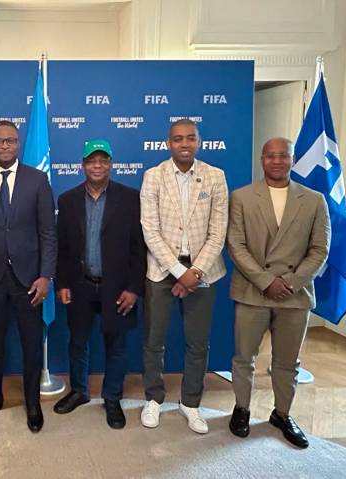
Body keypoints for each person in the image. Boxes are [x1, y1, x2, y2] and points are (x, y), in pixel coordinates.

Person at [227, 137, 330, 448]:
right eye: (270, 156)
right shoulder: (242, 197)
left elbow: (320, 249)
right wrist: (265, 280)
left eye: (283, 156)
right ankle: (241, 409)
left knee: (288, 361)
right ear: (262, 159)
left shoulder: (314, 200)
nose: (276, 161)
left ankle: (282, 414)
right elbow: (236, 245)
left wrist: (291, 282)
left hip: (294, 296)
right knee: (244, 358)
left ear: (292, 159)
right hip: (251, 291)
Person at [139, 119, 228, 434]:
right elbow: (150, 230)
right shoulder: (153, 177)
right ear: (168, 144)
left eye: (191, 138)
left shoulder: (215, 177)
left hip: (204, 272)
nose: (185, 144)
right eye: (178, 139)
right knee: (153, 340)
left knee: (198, 343)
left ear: (199, 141)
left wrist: (196, 271)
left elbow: (218, 232)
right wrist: (179, 272)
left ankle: (190, 403)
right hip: (161, 271)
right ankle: (153, 398)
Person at [0, 120, 57, 432]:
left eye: (10, 141)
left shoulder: (37, 180)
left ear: (17, 144)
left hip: (29, 279)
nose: (4, 146)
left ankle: (32, 403)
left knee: (31, 345)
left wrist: (46, 275)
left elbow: (48, 233)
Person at [54, 140, 146, 429]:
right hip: (80, 285)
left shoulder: (130, 198)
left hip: (117, 288)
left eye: (103, 160)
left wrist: (133, 288)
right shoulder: (67, 200)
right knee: (77, 342)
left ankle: (112, 397)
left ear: (110, 163)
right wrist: (63, 283)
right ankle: (79, 391)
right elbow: (63, 247)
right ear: (83, 165)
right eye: (91, 160)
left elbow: (138, 248)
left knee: (116, 345)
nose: (97, 165)